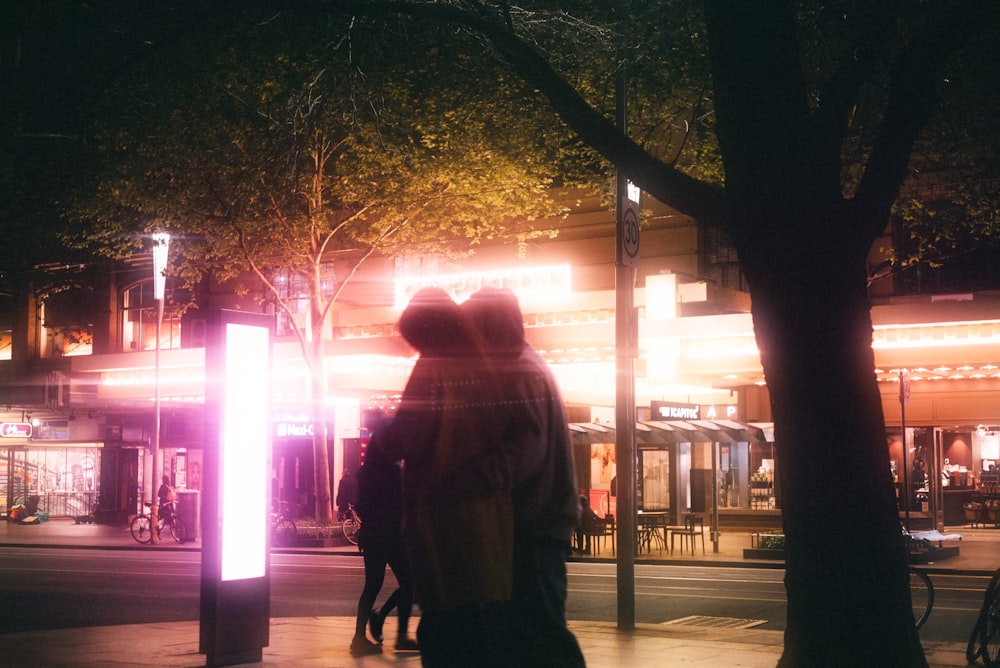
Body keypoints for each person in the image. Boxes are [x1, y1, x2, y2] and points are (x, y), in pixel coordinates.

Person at [373, 287, 514, 668]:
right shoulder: (486, 368)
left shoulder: (433, 366)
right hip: (485, 516)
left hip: (439, 513)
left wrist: (380, 425)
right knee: (475, 627)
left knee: (443, 627)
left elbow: (404, 439)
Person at [463, 287, 586, 668]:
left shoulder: (520, 372)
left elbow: (523, 449)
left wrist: (471, 478)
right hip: (534, 527)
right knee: (532, 634)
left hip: (531, 529)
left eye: (475, 329)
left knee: (540, 635)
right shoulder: (526, 367)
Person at [350, 444, 418, 656]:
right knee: (409, 582)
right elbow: (404, 502)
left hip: (372, 533)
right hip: (391, 534)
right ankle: (400, 635)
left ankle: (359, 637)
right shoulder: (394, 472)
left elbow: (360, 505)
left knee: (372, 585)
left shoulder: (365, 473)